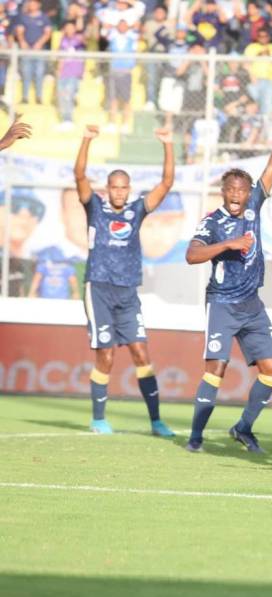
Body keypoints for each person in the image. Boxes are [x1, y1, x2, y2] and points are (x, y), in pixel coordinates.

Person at [183, 98, 272, 454]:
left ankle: (243, 427)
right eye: (232, 191)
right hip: (221, 304)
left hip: (252, 304)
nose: (238, 196)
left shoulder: (254, 203)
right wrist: (227, 244)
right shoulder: (213, 222)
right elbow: (192, 255)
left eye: (242, 190)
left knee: (271, 371)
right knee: (215, 371)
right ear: (223, 193)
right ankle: (195, 438)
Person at [74, 125, 175, 437]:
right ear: (107, 188)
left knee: (141, 354)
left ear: (129, 190)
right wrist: (87, 140)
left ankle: (156, 421)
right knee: (105, 354)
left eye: (124, 188)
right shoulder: (94, 207)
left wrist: (168, 145)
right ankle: (98, 419)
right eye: (114, 187)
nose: (119, 192)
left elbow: (167, 183)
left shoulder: (136, 210)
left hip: (128, 291)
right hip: (99, 287)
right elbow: (79, 176)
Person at [14, 0, 51, 105]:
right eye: (30, 3)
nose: (31, 5)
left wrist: (39, 43)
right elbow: (19, 31)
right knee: (26, 74)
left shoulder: (44, 17)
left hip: (39, 52)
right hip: (26, 51)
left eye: (34, 3)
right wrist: (22, 42)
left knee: (39, 74)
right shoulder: (23, 17)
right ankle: (25, 97)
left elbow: (47, 32)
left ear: (39, 4)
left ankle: (39, 97)